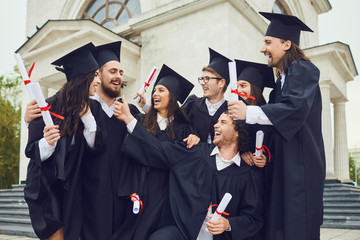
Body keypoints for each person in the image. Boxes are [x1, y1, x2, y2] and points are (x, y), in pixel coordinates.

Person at [228, 12, 326, 240]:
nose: (262, 49)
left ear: (287, 44)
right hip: (283, 167)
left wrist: (249, 111)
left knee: (296, 227)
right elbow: (275, 129)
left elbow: (294, 108)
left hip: (300, 169)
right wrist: (266, 155)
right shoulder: (281, 83)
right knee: (279, 227)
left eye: (268, 42)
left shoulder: (303, 70)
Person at [114, 97, 265, 240]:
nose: (215, 125)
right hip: (182, 233)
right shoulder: (194, 152)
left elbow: (253, 218)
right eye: (217, 121)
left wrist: (228, 224)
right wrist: (129, 119)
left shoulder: (247, 173)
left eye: (223, 122)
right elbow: (158, 150)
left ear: (237, 132)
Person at [24, 42, 105, 240]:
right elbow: (32, 151)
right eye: (95, 75)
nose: (98, 81)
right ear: (82, 78)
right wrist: (48, 143)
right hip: (46, 187)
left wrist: (87, 119)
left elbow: (97, 147)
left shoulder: (94, 109)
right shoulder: (46, 107)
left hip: (73, 188)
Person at [112, 64, 199, 240]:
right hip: (137, 193)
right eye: (155, 90)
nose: (155, 94)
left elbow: (164, 157)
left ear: (172, 96)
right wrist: (132, 188)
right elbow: (129, 156)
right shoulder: (142, 122)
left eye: (161, 90)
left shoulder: (185, 130)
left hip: (164, 196)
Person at [80, 41, 141, 240]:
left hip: (124, 198)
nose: (119, 77)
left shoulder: (129, 111)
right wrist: (30, 120)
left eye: (121, 73)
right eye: (113, 71)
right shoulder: (83, 108)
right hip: (90, 198)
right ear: (97, 74)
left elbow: (155, 133)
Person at [181, 48, 232, 143]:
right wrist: (191, 135)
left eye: (207, 79)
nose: (202, 83)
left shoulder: (231, 111)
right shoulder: (192, 104)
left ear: (221, 83)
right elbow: (177, 126)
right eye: (202, 78)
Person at [232, 59, 274, 168]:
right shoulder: (231, 114)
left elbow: (272, 146)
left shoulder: (266, 115)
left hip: (257, 173)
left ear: (255, 88)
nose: (239, 90)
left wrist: (265, 158)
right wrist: (241, 153)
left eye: (243, 86)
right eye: (237, 87)